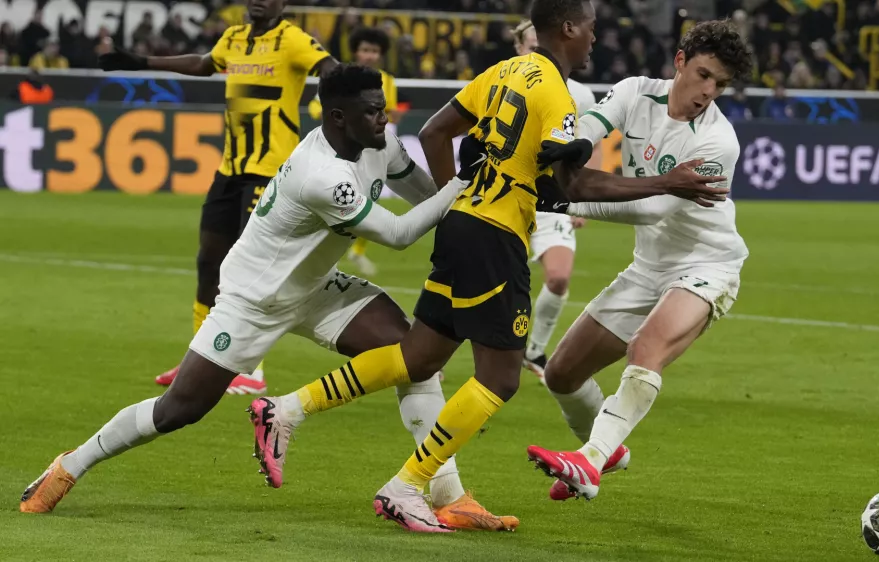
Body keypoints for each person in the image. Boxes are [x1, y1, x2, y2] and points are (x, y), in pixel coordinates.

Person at [248, 0, 731, 533]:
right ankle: (408, 484)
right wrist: (662, 181)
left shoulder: (504, 71)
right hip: (497, 237)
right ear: (568, 28)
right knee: (501, 378)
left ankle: (287, 408)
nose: (596, 37)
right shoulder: (556, 92)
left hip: (461, 224)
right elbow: (571, 184)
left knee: (418, 355)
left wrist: (453, 201)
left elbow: (434, 132)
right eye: (591, 26)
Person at [20, 66, 515, 533]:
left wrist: (467, 197)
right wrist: (461, 182)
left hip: (317, 287)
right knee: (179, 409)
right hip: (253, 299)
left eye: (382, 108)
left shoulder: (378, 142)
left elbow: (425, 195)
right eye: (371, 111)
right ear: (337, 117)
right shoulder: (320, 175)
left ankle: (449, 498)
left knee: (415, 360)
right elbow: (402, 232)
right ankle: (69, 465)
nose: (384, 119)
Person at [525, 20, 754, 502]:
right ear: (680, 62)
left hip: (706, 265)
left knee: (646, 348)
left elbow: (649, 207)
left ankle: (586, 463)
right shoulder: (634, 93)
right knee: (562, 373)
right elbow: (588, 128)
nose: (708, 92)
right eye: (704, 75)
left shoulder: (718, 142)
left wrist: (563, 200)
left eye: (720, 84)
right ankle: (605, 450)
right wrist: (572, 147)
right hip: (648, 268)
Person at [98, 0, 340, 395]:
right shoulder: (234, 37)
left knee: (247, 270)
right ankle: (198, 358)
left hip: (270, 172)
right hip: (229, 170)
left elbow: (330, 70)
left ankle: (251, 366)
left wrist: (331, 109)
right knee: (208, 262)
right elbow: (203, 63)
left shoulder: (293, 40)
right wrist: (138, 61)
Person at [511, 18, 603, 382]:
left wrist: (580, 194)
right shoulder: (504, 80)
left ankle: (534, 350)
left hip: (553, 203)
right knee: (478, 280)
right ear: (519, 48)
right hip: (509, 197)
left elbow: (590, 145)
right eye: (530, 44)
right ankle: (430, 356)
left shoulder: (580, 94)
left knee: (560, 279)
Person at [310, 26, 398, 278]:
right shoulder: (341, 78)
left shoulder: (387, 81)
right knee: (335, 197)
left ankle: (356, 251)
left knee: (369, 200)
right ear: (356, 52)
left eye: (374, 51)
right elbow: (316, 106)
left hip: (372, 150)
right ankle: (324, 248)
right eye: (365, 50)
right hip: (342, 150)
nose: (369, 55)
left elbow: (385, 113)